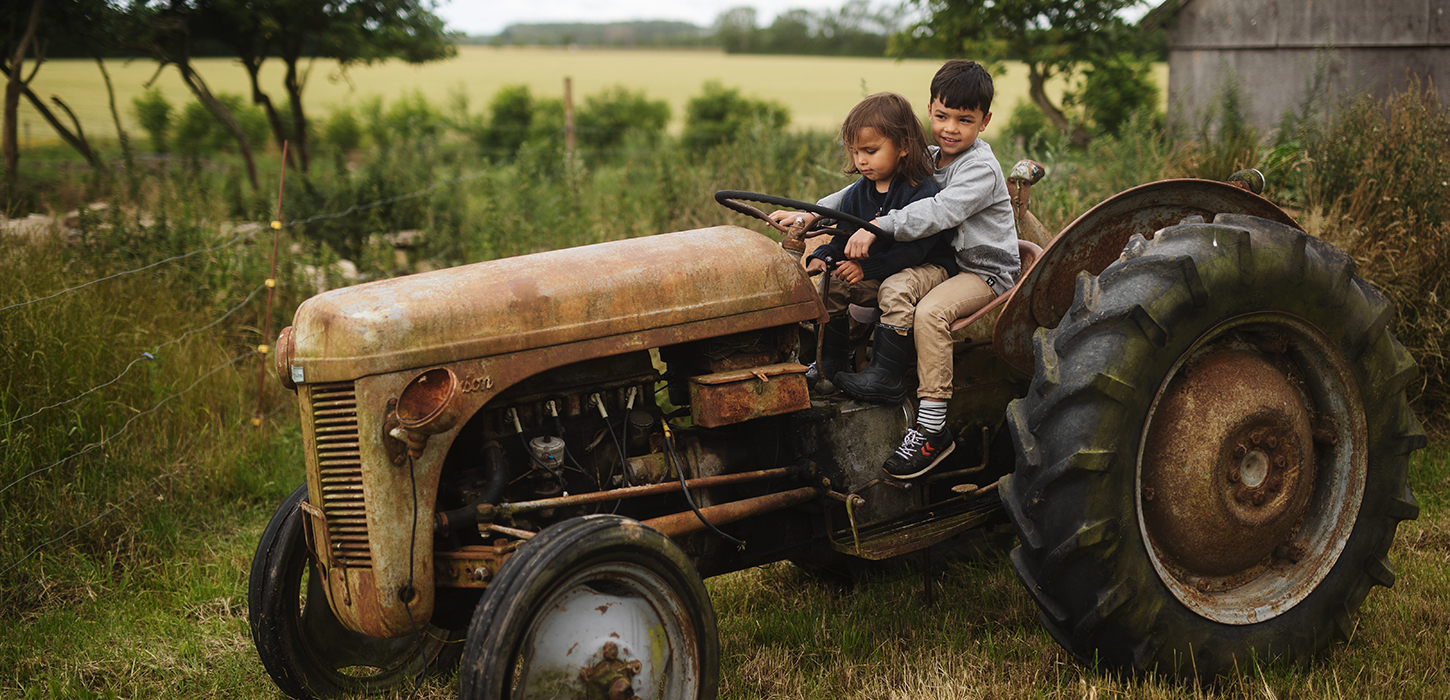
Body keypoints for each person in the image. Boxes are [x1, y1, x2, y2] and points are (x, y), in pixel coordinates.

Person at [774, 60, 1020, 479]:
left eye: (965, 120)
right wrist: (808, 216)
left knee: (930, 313)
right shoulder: (927, 156)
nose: (950, 128)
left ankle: (931, 428)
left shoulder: (979, 168)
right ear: (929, 110)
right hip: (931, 262)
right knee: (839, 281)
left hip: (979, 271)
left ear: (985, 121)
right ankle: (832, 364)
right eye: (941, 116)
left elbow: (940, 211)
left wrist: (876, 228)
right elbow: (856, 191)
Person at [787, 92, 958, 393]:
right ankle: (831, 365)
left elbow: (914, 250)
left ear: (903, 147)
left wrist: (867, 269)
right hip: (879, 272)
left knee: (894, 293)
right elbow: (844, 235)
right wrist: (826, 256)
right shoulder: (858, 193)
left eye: (870, 150)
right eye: (855, 152)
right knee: (832, 285)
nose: (861, 160)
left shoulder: (919, 190)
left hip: (922, 269)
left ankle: (885, 375)